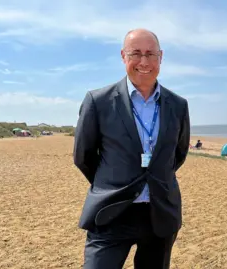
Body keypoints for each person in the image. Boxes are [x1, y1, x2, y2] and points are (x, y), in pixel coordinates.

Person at [73, 28, 190, 269]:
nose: (144, 61)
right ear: (123, 56)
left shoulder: (178, 105)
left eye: (151, 54)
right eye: (136, 53)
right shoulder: (98, 101)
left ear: (161, 57)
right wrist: (112, 181)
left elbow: (177, 154)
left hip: (160, 213)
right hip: (111, 212)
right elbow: (83, 156)